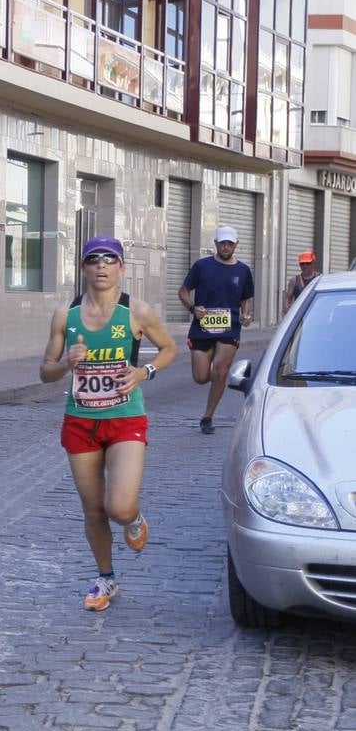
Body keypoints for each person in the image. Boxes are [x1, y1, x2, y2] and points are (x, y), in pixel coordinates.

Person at [39, 236, 177, 612]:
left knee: (118, 506)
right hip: (81, 421)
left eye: (109, 259)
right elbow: (45, 373)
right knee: (94, 510)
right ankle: (106, 577)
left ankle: (133, 519)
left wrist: (144, 371)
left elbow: (169, 348)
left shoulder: (137, 312)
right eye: (93, 259)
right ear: (83, 267)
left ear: (121, 268)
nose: (101, 266)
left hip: (125, 418)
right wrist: (67, 363)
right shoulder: (64, 316)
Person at [178, 225, 254, 435]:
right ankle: (216, 377)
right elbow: (183, 291)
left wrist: (246, 314)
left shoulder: (243, 270)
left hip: (230, 327)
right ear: (216, 244)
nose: (226, 246)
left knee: (220, 370)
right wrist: (193, 308)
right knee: (201, 377)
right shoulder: (202, 266)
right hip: (203, 327)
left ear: (236, 244)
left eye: (230, 243)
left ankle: (207, 417)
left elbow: (246, 299)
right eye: (223, 243)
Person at [282, 250, 320, 314]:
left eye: (308, 263)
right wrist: (288, 310)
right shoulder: (294, 281)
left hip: (315, 315)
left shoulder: (319, 279)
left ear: (313, 263)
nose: (305, 266)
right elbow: (287, 300)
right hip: (300, 317)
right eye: (302, 263)